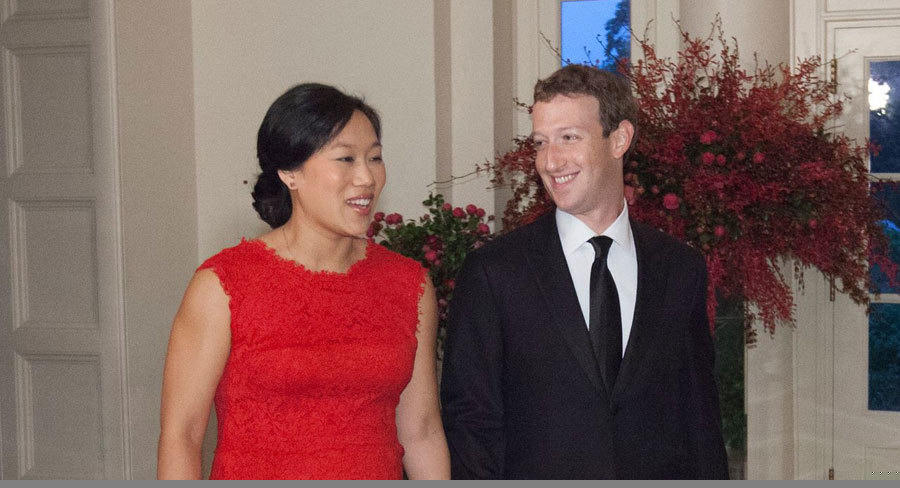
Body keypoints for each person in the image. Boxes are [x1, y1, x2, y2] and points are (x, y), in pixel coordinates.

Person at [440, 64, 728, 479]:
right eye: (541, 142)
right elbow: (471, 427)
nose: (550, 161)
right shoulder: (494, 273)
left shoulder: (679, 269)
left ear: (620, 139)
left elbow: (699, 420)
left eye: (569, 138)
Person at [157, 83, 450, 480]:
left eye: (375, 158)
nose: (367, 177)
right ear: (290, 173)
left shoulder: (409, 285)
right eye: (346, 158)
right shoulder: (223, 285)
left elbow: (421, 432)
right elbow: (183, 436)